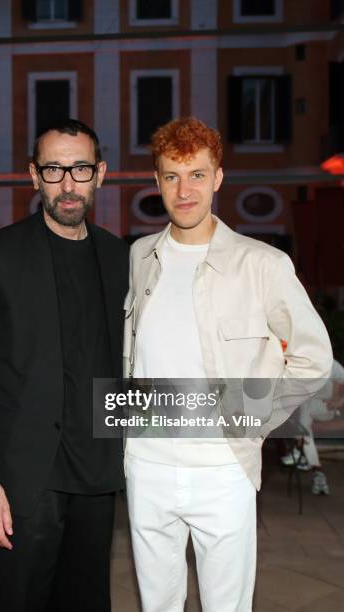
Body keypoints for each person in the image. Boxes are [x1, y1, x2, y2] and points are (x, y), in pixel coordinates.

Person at [122, 116, 333, 612]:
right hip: (146, 466)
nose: (184, 189)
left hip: (224, 469)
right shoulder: (139, 256)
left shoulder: (261, 264)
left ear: (218, 178)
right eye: (171, 176)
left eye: (197, 174)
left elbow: (313, 357)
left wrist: (251, 418)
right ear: (156, 182)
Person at [0, 119, 129, 612]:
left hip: (97, 478)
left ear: (101, 174)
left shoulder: (121, 258)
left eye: (80, 168)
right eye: (54, 169)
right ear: (34, 176)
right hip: (23, 480)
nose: (68, 184)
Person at [280, 358, 344, 494]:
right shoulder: (302, 363)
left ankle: (301, 453)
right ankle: (317, 473)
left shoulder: (331, 363)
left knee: (304, 408)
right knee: (304, 419)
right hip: (307, 409)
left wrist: (339, 401)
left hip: (326, 408)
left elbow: (341, 381)